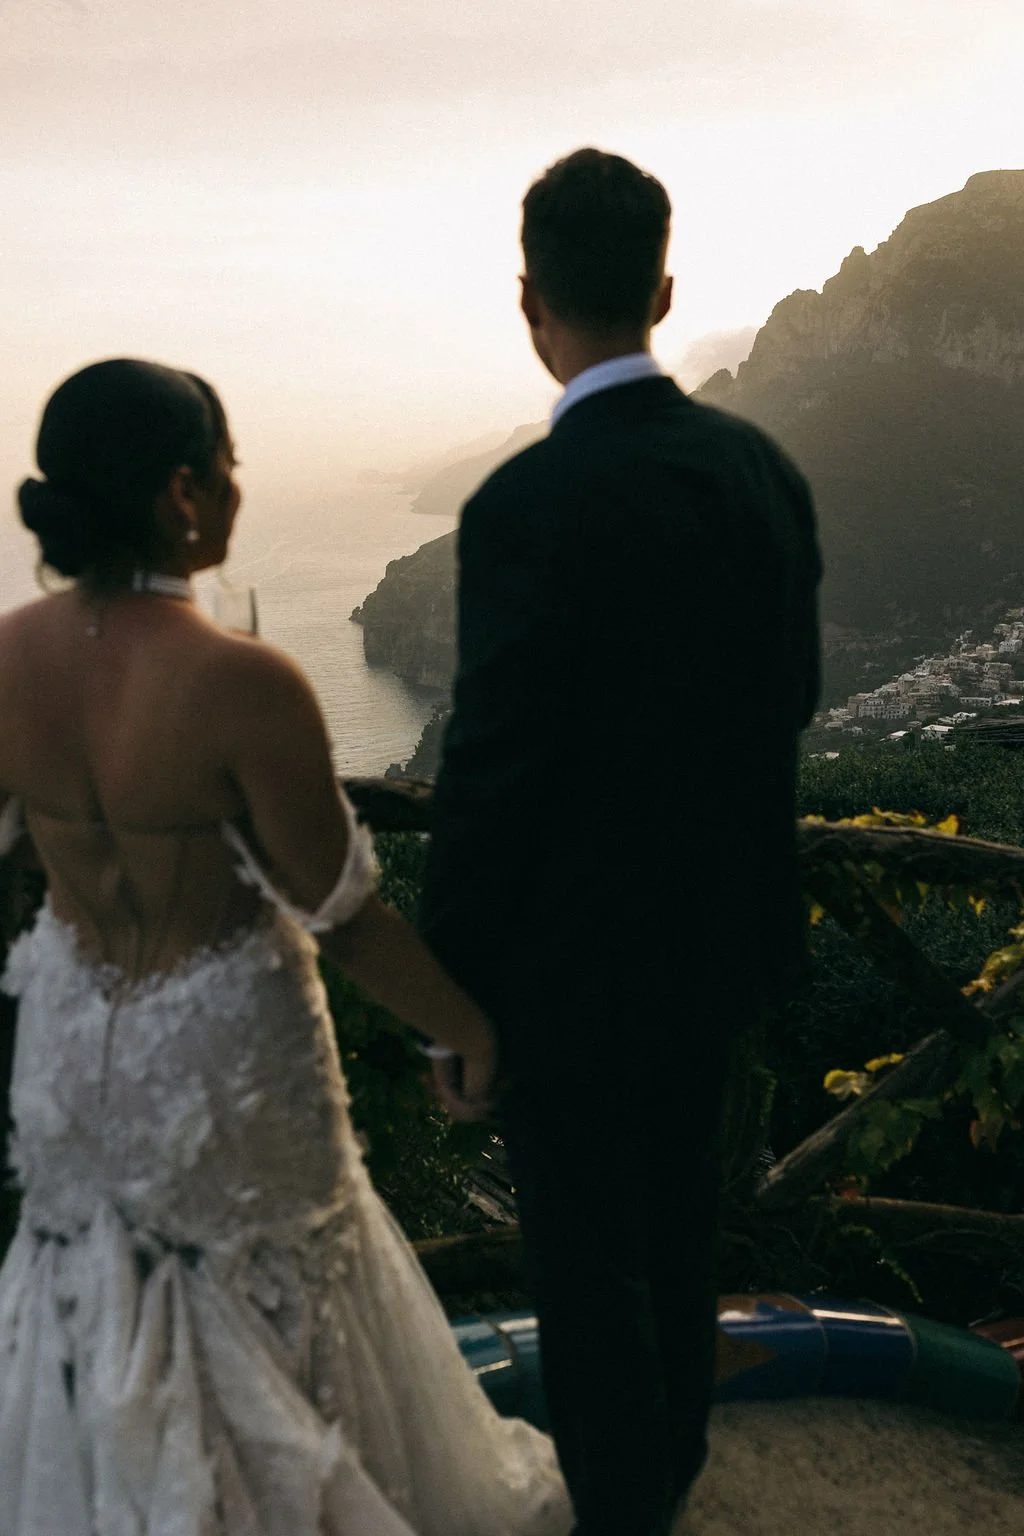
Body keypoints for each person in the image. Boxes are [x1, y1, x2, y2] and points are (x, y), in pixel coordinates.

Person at [0, 358, 573, 1536]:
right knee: (274, 1292)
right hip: (221, 1056)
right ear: (184, 493)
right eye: (229, 469)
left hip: (68, 1048)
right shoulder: (240, 681)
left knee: (95, 1288)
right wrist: (466, 1028)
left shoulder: (7, 659)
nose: (237, 488)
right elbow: (342, 915)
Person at [420, 148, 822, 1536]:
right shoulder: (762, 472)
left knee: (585, 1269)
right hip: (718, 939)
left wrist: (453, 992)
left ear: (530, 303)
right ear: (662, 290)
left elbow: (490, 775)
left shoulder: (520, 507)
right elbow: (790, 698)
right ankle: (677, 1472)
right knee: (681, 1227)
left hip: (565, 970)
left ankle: (626, 1509)